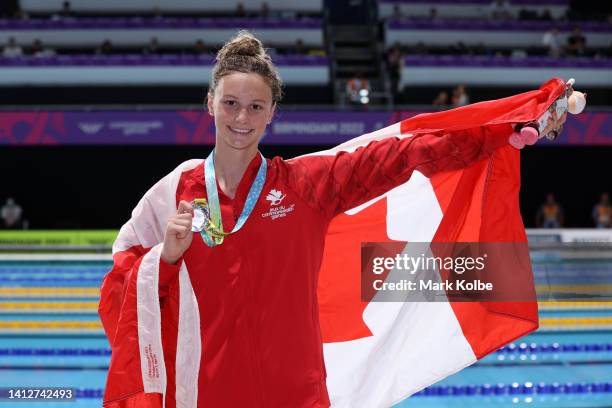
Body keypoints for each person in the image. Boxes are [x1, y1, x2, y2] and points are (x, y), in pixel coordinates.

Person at [99, 31, 569, 407]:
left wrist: (501, 129)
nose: (241, 117)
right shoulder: (173, 193)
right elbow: (116, 292)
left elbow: (400, 156)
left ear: (271, 115)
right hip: (207, 396)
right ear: (210, 104)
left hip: (299, 395)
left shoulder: (305, 184)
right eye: (230, 103)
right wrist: (165, 259)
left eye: (255, 106)